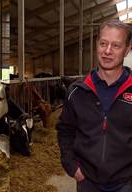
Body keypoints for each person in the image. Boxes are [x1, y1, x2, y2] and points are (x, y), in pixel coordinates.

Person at [56, 19, 132, 192]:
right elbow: (65, 130)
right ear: (96, 44)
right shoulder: (77, 91)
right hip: (87, 180)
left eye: (116, 46)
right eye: (103, 43)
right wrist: (71, 165)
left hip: (126, 183)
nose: (107, 51)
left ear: (127, 49)